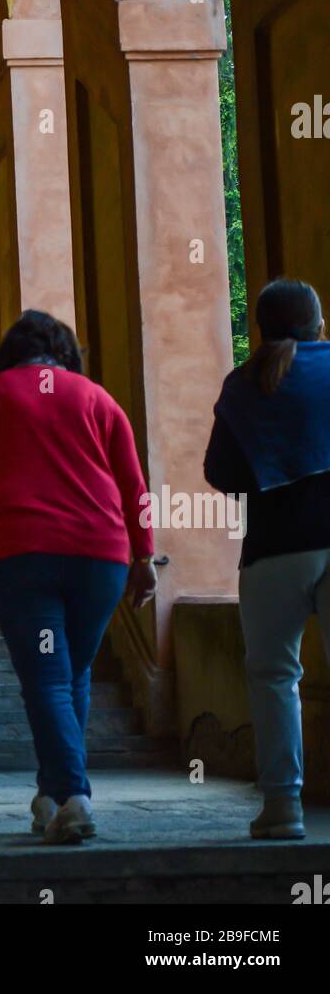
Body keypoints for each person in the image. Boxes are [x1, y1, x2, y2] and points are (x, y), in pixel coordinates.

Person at [0, 310, 156, 845]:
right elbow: (135, 485)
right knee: (74, 674)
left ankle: (73, 795)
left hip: (22, 556)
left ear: (9, 353)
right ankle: (52, 795)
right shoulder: (97, 399)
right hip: (101, 557)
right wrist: (145, 558)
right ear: (65, 353)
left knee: (46, 679)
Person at [204, 278, 330, 841]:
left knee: (276, 676)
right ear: (317, 324)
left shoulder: (243, 385)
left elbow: (220, 473)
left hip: (275, 548)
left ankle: (283, 808)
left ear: (260, 328)